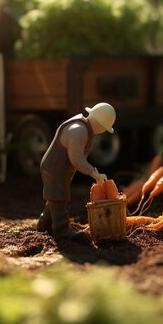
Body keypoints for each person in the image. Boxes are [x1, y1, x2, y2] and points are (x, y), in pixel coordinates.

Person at [38, 102, 116, 240]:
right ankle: (62, 232)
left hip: (59, 167)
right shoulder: (78, 130)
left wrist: (94, 171)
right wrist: (93, 173)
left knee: (55, 197)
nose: (103, 131)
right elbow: (76, 159)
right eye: (104, 128)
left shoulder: (85, 128)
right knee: (59, 197)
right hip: (54, 167)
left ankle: (43, 225)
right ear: (99, 123)